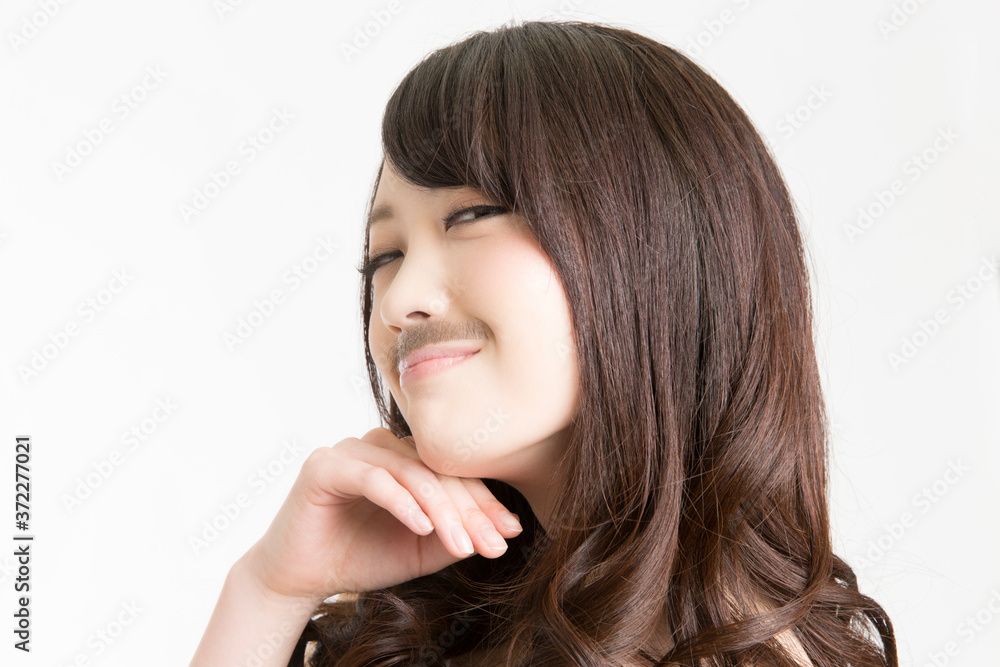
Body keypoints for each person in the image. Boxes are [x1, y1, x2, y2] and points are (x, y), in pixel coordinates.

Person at [191, 19, 898, 667]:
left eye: (470, 215)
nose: (400, 301)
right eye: (385, 256)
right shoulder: (428, 630)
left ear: (654, 244)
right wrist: (270, 588)